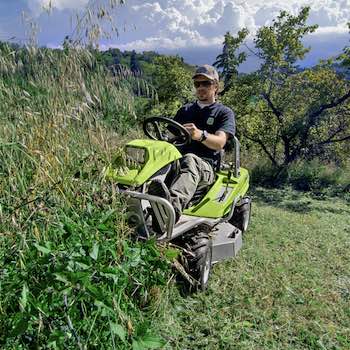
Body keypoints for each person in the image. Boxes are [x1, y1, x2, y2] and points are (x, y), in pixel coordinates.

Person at [149, 64, 235, 222]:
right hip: (179, 160)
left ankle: (171, 210)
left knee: (190, 159)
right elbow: (170, 138)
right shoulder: (185, 111)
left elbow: (220, 142)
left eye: (206, 83)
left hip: (206, 167)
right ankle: (136, 195)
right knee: (157, 157)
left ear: (216, 86)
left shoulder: (223, 113)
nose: (201, 87)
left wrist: (200, 135)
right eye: (197, 84)